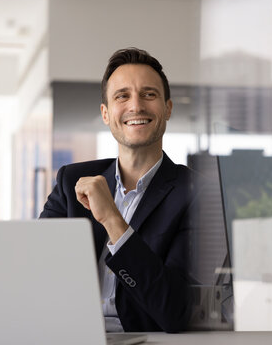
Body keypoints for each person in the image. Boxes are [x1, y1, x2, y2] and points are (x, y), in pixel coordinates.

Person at [40, 47, 196, 333]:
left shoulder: (195, 194)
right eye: (122, 96)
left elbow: (174, 311)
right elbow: (34, 269)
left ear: (168, 108)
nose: (135, 106)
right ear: (105, 113)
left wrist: (113, 220)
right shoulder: (70, 180)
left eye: (149, 94)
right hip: (68, 334)